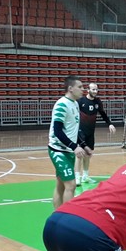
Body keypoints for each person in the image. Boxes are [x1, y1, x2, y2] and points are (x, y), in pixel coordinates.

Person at [48, 75, 91, 209]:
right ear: (70, 88)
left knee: (60, 185)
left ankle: (57, 214)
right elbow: (57, 131)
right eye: (80, 87)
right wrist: (74, 146)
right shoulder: (62, 104)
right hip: (58, 150)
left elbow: (73, 130)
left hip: (68, 150)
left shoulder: (75, 104)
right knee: (71, 185)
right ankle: (67, 216)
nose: (83, 89)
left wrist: (83, 145)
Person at [75, 83, 115, 185]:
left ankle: (85, 176)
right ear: (88, 90)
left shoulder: (97, 102)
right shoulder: (80, 101)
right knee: (79, 155)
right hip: (80, 132)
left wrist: (109, 124)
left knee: (88, 154)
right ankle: (77, 177)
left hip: (90, 132)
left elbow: (103, 114)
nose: (95, 91)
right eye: (93, 89)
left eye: (96, 90)